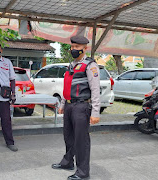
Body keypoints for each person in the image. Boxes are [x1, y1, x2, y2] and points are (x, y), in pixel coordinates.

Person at [51, 35, 100, 180]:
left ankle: (83, 172)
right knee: (68, 137)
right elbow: (67, 87)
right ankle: (67, 162)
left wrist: (95, 111)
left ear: (85, 48)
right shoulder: (71, 65)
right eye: (72, 47)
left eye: (77, 47)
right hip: (70, 106)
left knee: (81, 140)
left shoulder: (91, 65)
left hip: (82, 106)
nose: (73, 49)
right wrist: (63, 104)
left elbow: (95, 89)